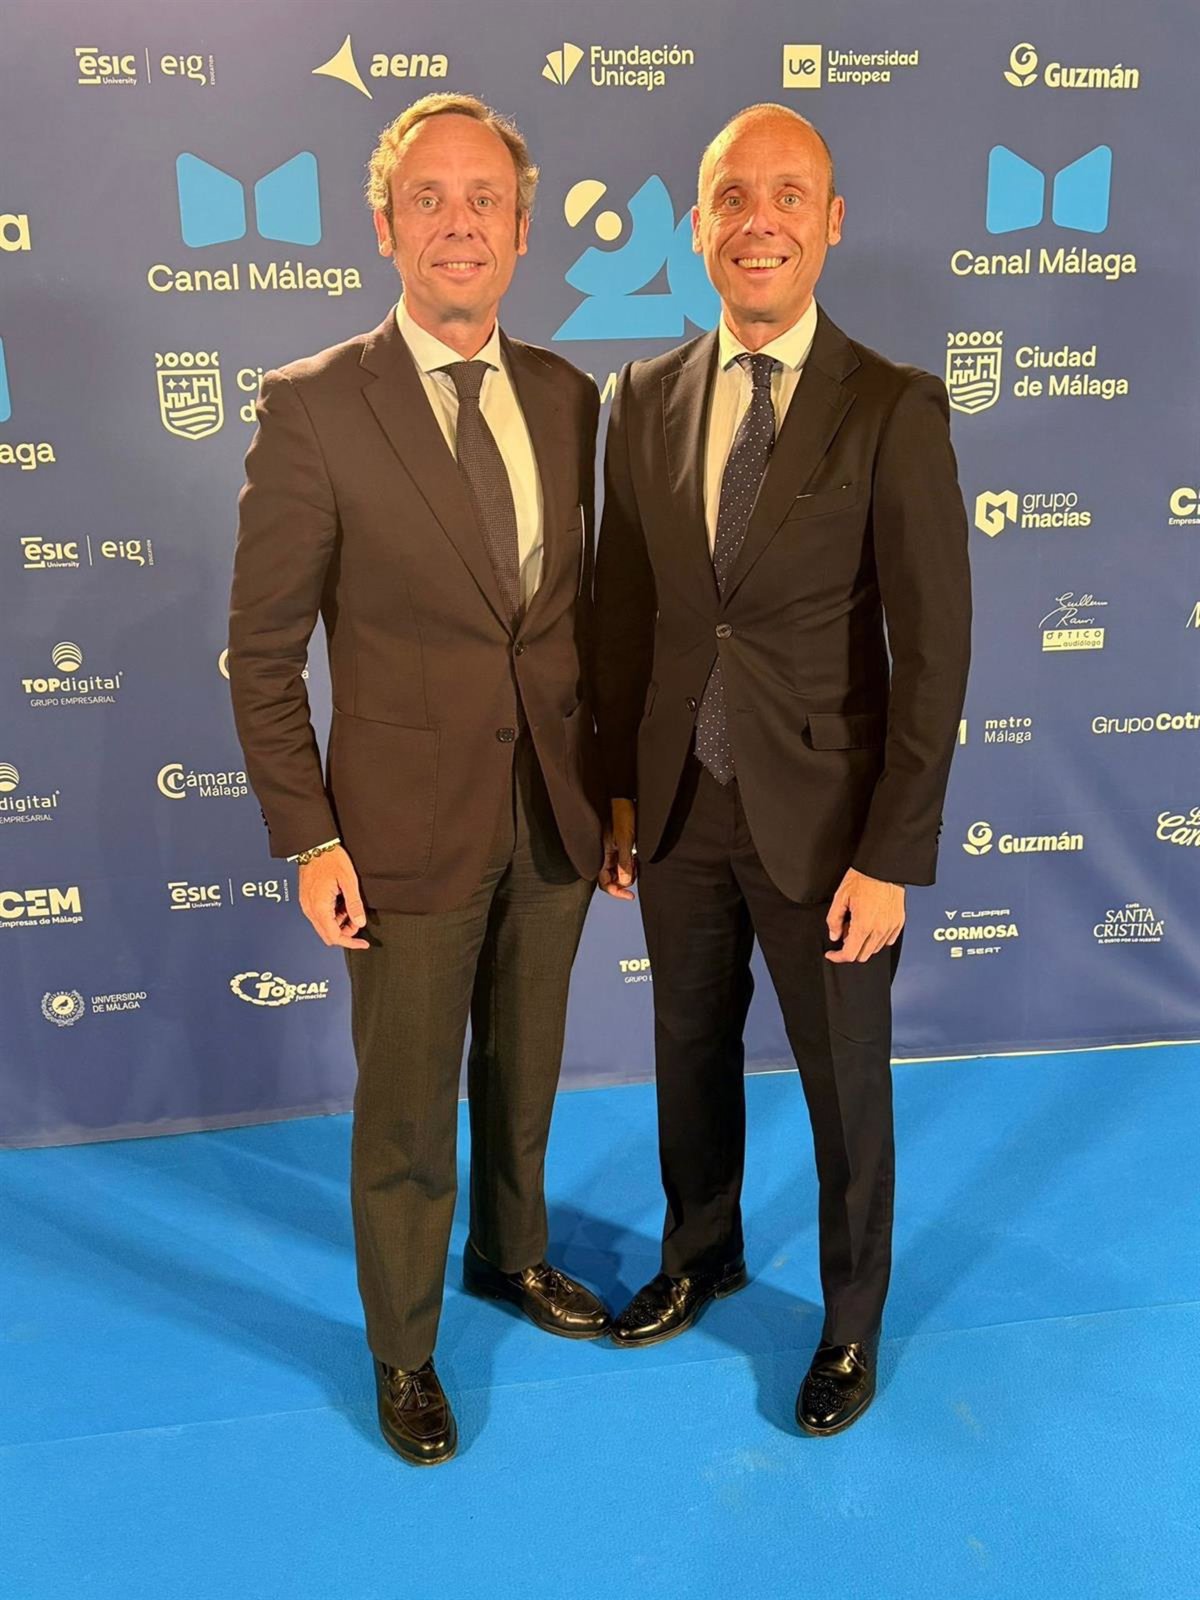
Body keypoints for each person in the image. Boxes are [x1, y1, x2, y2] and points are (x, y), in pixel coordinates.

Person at [229, 93, 610, 1468]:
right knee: (403, 1108)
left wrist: (616, 798)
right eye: (431, 199)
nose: (461, 224)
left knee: (526, 1067)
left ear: (521, 229)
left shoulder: (568, 398)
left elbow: (579, 621)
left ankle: (511, 1254)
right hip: (395, 832)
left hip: (554, 816)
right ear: (384, 226)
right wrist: (310, 839)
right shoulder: (314, 407)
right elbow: (262, 653)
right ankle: (403, 1347)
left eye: (485, 200)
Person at [593, 103, 971, 1436]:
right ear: (696, 225)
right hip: (678, 805)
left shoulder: (894, 405)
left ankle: (851, 1322)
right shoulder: (642, 399)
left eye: (789, 195)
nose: (760, 221)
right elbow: (623, 609)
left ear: (832, 221)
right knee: (687, 1047)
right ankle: (701, 1251)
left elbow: (934, 652)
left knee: (843, 1082)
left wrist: (893, 852)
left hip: (831, 825)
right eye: (732, 197)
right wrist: (620, 792)